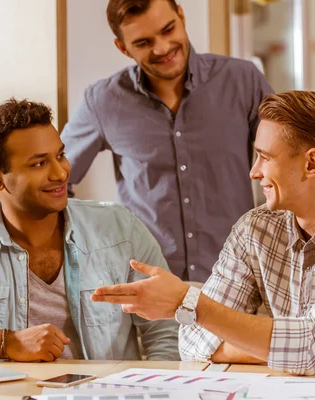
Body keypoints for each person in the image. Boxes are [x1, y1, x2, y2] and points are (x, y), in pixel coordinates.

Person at [90, 91, 315, 375]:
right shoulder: (255, 230)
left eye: (265, 158)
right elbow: (191, 341)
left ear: (311, 164)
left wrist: (187, 301)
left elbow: (311, 347)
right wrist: (279, 351)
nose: (254, 172)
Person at [0, 99, 180, 362]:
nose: (60, 173)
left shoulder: (120, 228)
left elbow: (168, 332)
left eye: (60, 155)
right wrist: (8, 342)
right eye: (39, 163)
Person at [61, 0, 273, 282]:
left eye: (168, 29)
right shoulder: (102, 101)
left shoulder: (242, 80)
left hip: (236, 280)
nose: (162, 48)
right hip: (149, 286)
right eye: (144, 42)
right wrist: (90, 246)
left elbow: (285, 161)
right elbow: (55, 179)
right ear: (123, 48)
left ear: (181, 16)